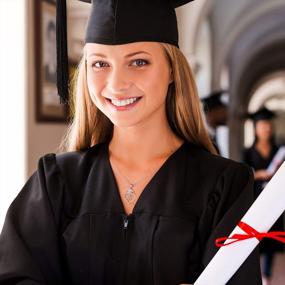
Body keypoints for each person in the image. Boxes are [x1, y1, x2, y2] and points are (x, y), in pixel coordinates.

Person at [0, 0, 261, 284]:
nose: (116, 84)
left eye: (138, 62)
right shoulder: (55, 182)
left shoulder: (224, 186)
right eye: (100, 63)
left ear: (172, 69)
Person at [243, 107, 284, 285]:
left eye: (268, 125)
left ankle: (267, 277)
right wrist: (257, 174)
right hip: (255, 200)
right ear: (255, 128)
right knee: (255, 238)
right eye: (262, 125)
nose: (266, 128)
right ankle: (256, 275)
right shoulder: (248, 152)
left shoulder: (279, 151)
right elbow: (242, 175)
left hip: (274, 202)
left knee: (272, 240)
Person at [201, 90, 228, 154]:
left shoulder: (212, 138)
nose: (227, 114)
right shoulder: (203, 141)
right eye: (223, 109)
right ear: (212, 113)